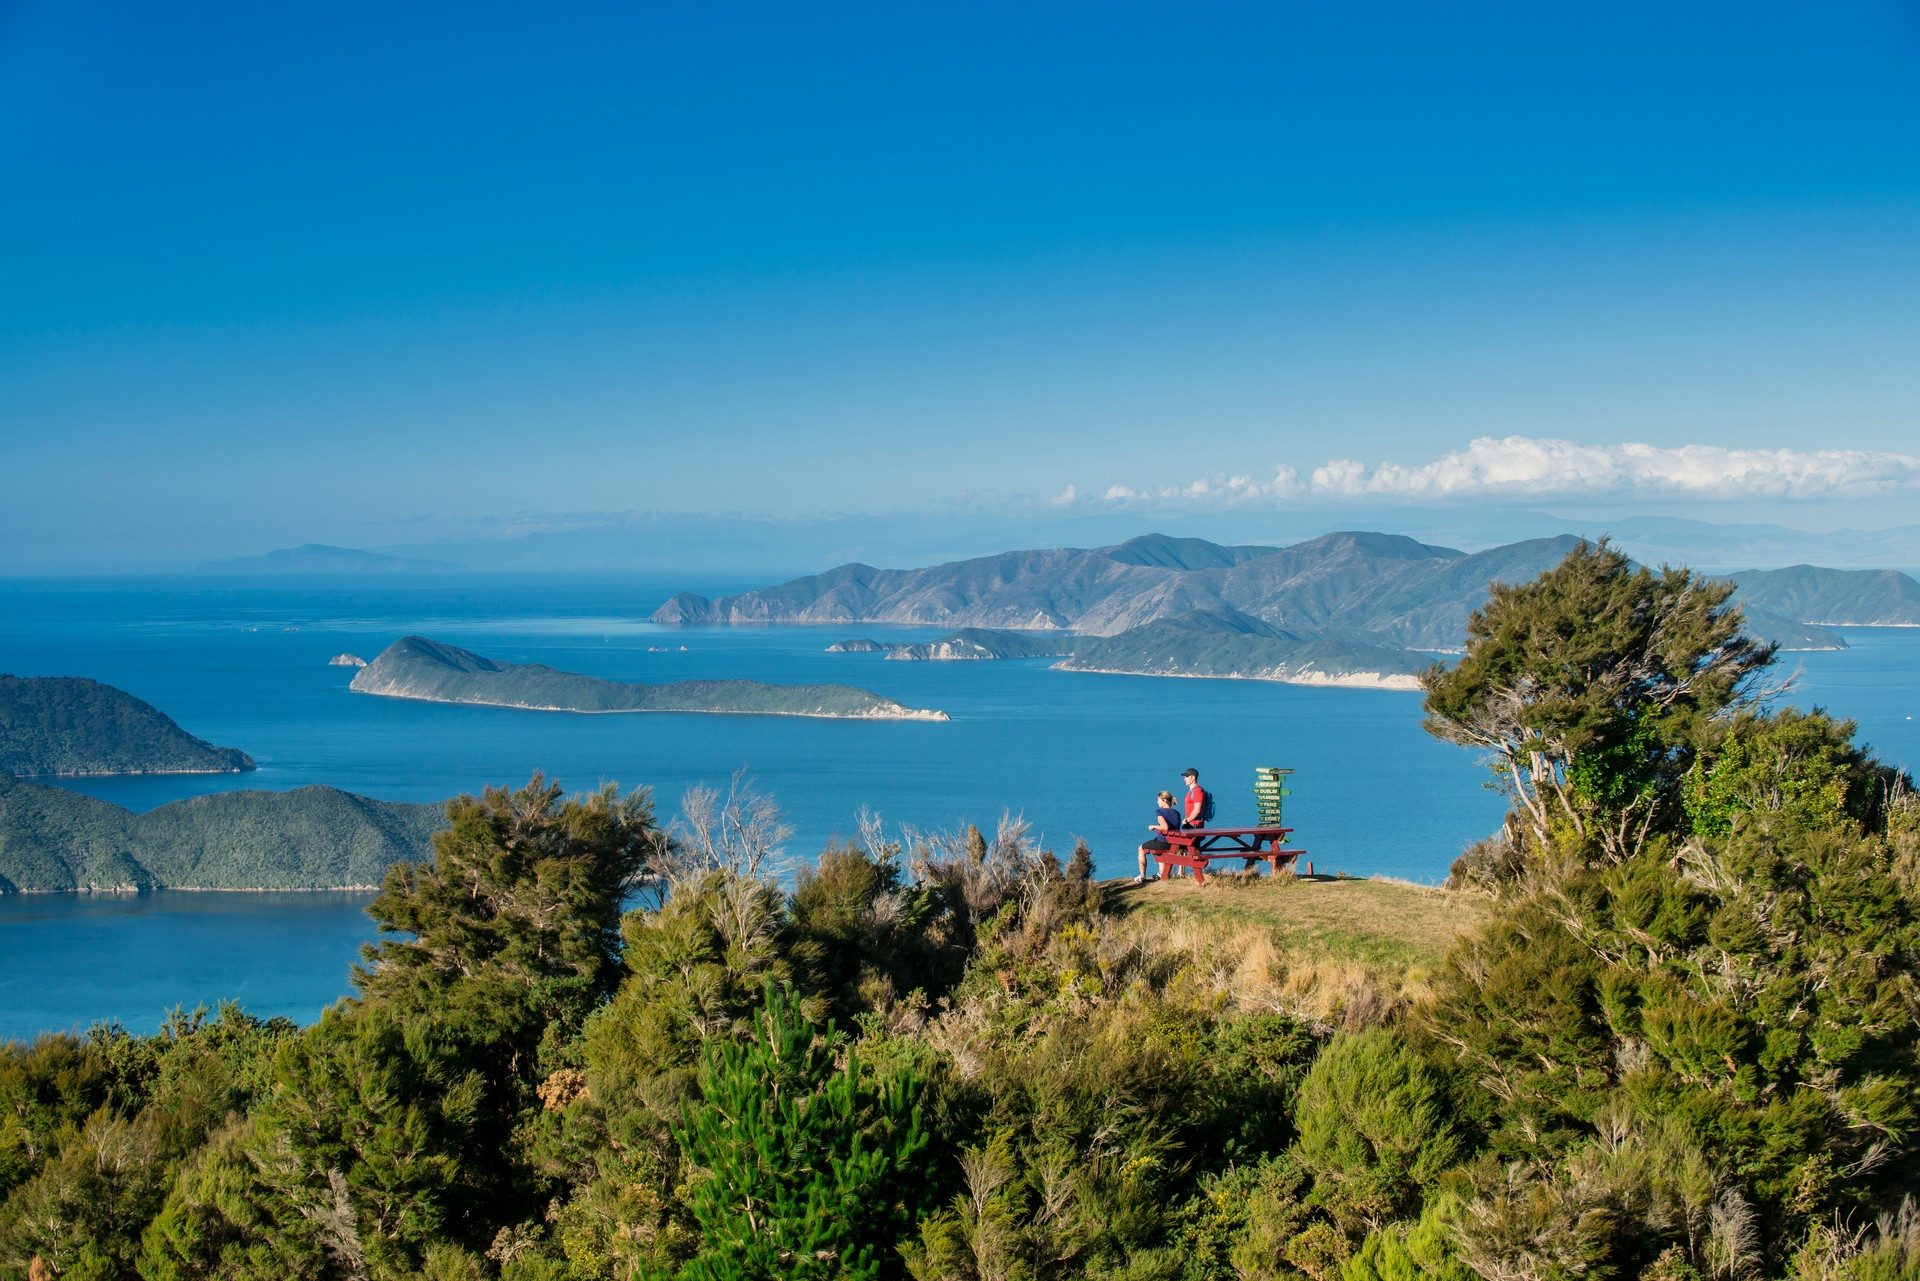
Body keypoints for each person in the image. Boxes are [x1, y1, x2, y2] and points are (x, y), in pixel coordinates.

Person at [1135, 789, 1183, 883]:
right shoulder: (1177, 813)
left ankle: (1142, 876)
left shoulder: (1159, 812)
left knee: (1141, 849)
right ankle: (1161, 874)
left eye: (1158, 800)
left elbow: (1165, 827)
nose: (1157, 802)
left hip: (1163, 842)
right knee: (1161, 853)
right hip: (1174, 843)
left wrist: (1153, 826)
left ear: (1164, 800)